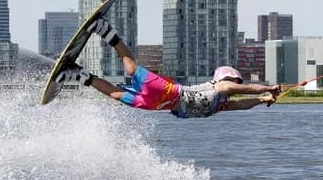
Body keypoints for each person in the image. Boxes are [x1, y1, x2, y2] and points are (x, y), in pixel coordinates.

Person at [56, 18, 281, 118]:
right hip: (170, 92)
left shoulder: (221, 105)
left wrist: (262, 100)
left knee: (117, 94)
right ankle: (106, 31)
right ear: (226, 78)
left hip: (161, 105)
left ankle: (80, 75)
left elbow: (241, 106)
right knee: (133, 70)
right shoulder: (220, 88)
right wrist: (266, 89)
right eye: (235, 82)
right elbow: (244, 90)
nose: (236, 86)